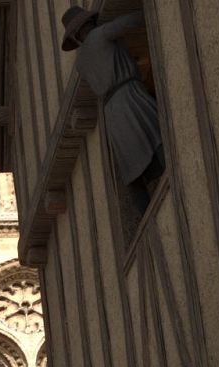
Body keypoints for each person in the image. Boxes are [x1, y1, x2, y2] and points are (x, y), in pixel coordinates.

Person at [59, 6, 162, 214]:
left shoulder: (80, 63)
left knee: (129, 159)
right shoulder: (101, 34)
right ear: (88, 25)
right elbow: (130, 21)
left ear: (76, 36)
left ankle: (145, 208)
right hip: (129, 95)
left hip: (112, 111)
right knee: (156, 133)